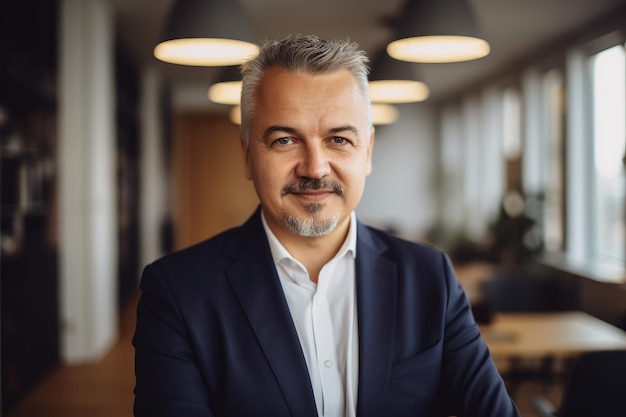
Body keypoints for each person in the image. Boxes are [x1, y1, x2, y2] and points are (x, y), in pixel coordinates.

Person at [133, 34, 520, 417]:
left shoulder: (430, 276)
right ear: (248, 156)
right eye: (285, 140)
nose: (314, 167)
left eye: (338, 139)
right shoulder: (178, 293)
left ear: (366, 152)